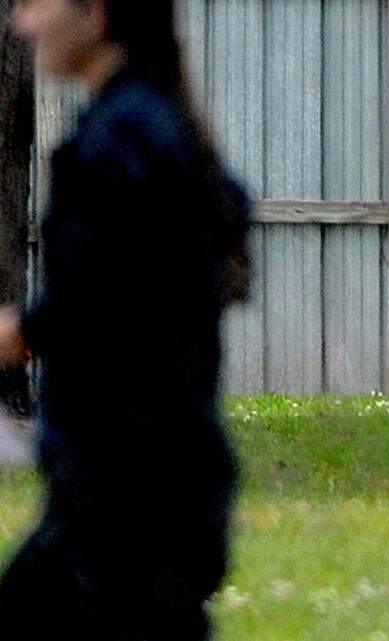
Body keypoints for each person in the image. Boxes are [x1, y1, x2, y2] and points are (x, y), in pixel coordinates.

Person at [0, 0, 251, 638]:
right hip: (153, 488)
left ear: (98, 14)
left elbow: (111, 301)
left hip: (127, 494)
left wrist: (25, 332)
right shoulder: (157, 126)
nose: (24, 23)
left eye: (39, 4)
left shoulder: (121, 140)